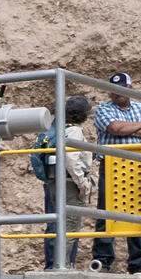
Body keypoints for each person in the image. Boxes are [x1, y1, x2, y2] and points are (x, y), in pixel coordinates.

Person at [89, 72, 141, 274]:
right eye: (114, 91)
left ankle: (138, 262)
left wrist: (129, 129)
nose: (117, 94)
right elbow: (115, 128)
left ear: (130, 88)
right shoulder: (103, 109)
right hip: (111, 164)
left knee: (138, 212)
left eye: (122, 89)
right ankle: (103, 260)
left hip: (139, 165)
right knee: (106, 212)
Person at [28, 93, 97, 268]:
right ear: (82, 114)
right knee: (70, 226)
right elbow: (72, 158)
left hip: (53, 181)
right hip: (69, 183)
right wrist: (82, 183)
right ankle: (63, 265)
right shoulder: (73, 130)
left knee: (55, 224)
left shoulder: (56, 129)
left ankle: (54, 265)